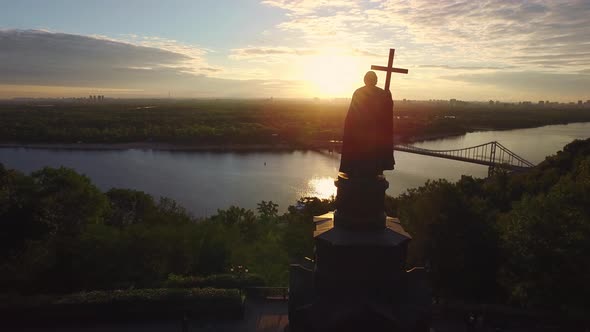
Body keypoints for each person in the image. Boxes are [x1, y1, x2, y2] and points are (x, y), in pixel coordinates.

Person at [339, 71, 394, 178]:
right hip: (375, 132)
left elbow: (352, 114)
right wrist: (388, 96)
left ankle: (355, 170)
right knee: (373, 155)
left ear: (365, 80)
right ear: (376, 80)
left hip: (360, 131)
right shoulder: (383, 93)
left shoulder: (358, 92)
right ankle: (373, 170)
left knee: (359, 153)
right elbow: (387, 114)